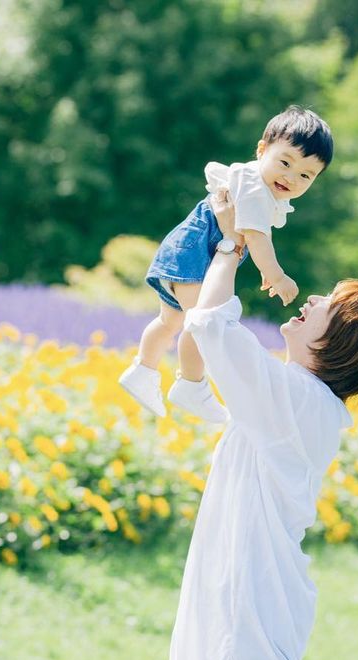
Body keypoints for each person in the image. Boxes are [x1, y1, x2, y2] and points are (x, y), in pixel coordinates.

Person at [162, 189, 358, 660]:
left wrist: (232, 245)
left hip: (245, 619)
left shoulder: (298, 401)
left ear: (341, 342)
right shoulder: (300, 403)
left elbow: (208, 326)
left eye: (328, 306)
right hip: (253, 608)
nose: (311, 301)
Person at [119, 106, 334, 424]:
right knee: (201, 322)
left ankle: (142, 370)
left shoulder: (259, 187)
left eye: (305, 175)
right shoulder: (252, 187)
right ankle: (191, 385)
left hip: (188, 251)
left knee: (171, 321)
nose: (291, 177)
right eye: (285, 163)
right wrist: (276, 275)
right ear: (262, 149)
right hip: (195, 252)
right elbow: (257, 237)